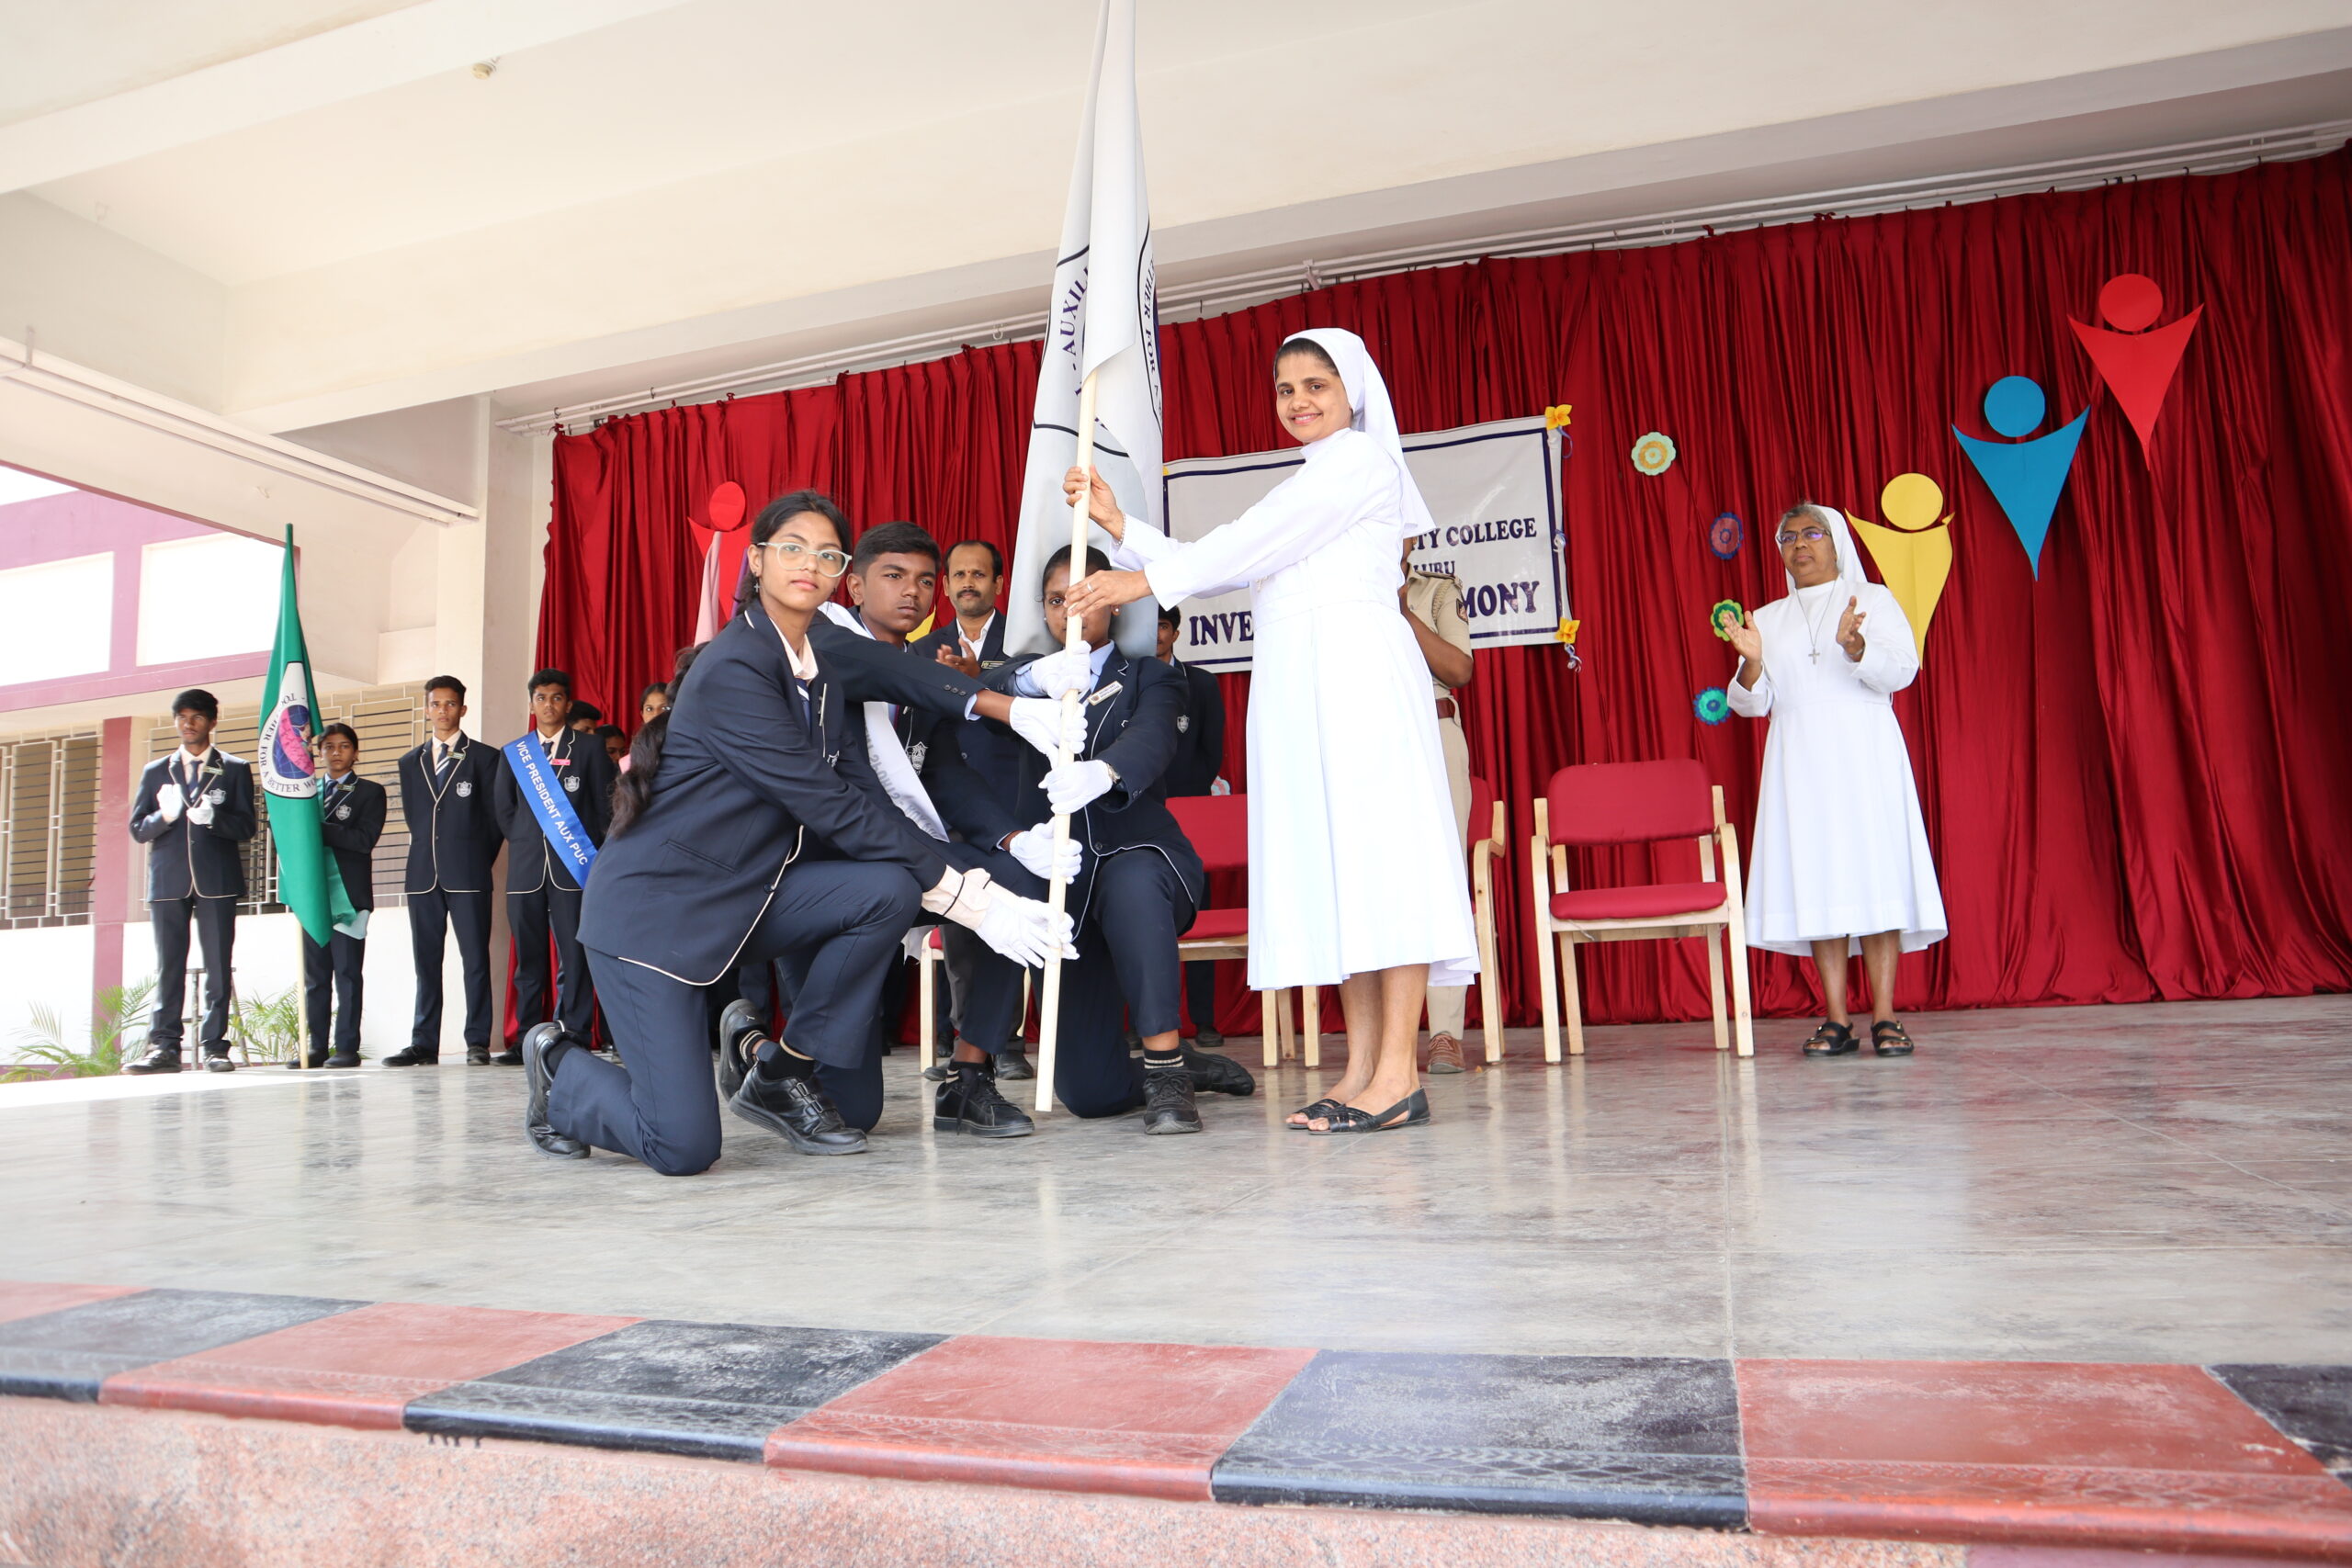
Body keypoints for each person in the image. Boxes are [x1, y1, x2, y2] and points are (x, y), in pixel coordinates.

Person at [526, 491, 1084, 1175]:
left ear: (837, 574)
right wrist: (973, 900)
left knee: (886, 888)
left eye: (826, 554)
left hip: (749, 898)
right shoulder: (736, 667)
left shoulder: (817, 674)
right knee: (683, 1145)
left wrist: (980, 872)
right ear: (757, 560)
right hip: (657, 917)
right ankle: (558, 1070)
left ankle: (779, 1069)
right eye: (791, 547)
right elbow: (829, 805)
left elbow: (863, 800)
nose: (808, 564)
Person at [1062, 327, 1476, 1134]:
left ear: (1353, 391)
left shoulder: (1360, 461)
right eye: (1286, 388)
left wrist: (1140, 579)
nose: (1298, 401)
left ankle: (1398, 1075)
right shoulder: (1312, 479)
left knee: (1382, 867)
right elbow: (1234, 559)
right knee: (1339, 875)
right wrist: (1120, 525)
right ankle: (1361, 1069)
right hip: (1303, 686)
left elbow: (1238, 548)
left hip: (1359, 679)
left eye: (1316, 384)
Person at [801, 520, 1084, 1125]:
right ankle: (755, 1046)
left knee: (1013, 881)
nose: (912, 591)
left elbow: (946, 773)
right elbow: (883, 673)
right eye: (894, 576)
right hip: (831, 873)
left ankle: (969, 1076)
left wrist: (1013, 839)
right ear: (855, 586)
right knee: (852, 1111)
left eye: (926, 580)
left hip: (909, 861)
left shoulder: (922, 667)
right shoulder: (819, 644)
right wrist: (1005, 696)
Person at [987, 547, 1256, 1133]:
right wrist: (1028, 678)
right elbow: (977, 689)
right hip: (1066, 891)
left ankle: (1166, 1067)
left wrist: (1104, 772)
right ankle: (1186, 1069)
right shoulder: (1021, 682)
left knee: (1131, 881)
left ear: (1112, 602)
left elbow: (1152, 741)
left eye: (1084, 597)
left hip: (1144, 861)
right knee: (1091, 1093)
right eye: (1056, 600)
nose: (1070, 611)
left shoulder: (1150, 677)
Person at [1724, 502, 1945, 1058]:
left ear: (1836, 540)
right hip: (1798, 759)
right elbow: (1751, 704)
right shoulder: (1766, 617)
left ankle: (1886, 1016)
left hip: (1865, 753)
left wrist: (1857, 647)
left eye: (1812, 533)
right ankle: (1836, 1019)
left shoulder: (1872, 600)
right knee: (1817, 879)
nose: (1800, 544)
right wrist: (1751, 662)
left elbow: (1904, 670)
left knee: (1876, 875)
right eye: (1788, 537)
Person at [124, 689, 258, 1074]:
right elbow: (138, 829)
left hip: (217, 879)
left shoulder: (234, 768)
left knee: (218, 965)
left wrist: (215, 819)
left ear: (212, 721)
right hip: (169, 881)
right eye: (182, 717)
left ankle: (215, 1047)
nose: (188, 723)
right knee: (169, 965)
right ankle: (164, 1047)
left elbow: (247, 826)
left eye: (197, 716)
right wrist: (164, 817)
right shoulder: (155, 771)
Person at [493, 669, 616, 1063]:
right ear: (531, 704)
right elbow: (504, 809)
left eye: (557, 697)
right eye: (541, 698)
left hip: (574, 866)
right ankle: (527, 1037)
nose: (549, 705)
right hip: (526, 869)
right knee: (528, 958)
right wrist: (528, 838)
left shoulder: (590, 748)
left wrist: (596, 853)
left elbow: (607, 806)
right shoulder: (515, 753)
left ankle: (574, 1032)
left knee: (574, 955)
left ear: (568, 703)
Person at [389, 676, 505, 1066]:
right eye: (436, 704)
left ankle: (477, 1041)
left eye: (450, 704)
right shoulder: (410, 762)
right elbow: (416, 819)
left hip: (469, 873)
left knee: (475, 960)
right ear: (427, 709)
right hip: (423, 875)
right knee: (426, 962)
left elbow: (494, 822)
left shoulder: (485, 758)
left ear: (463, 709)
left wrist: (475, 859)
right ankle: (423, 1043)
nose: (443, 711)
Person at [1401, 547, 1475, 1073]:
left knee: (1443, 882)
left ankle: (1445, 1031)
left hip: (1435, 729)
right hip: (1371, 739)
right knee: (1382, 884)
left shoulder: (1436, 590)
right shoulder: (1344, 588)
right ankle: (1389, 1035)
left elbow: (1459, 668)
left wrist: (1402, 613)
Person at [290, 723, 385, 1069]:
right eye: (328, 746)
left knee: (347, 974)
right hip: (312, 897)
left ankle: (346, 1047)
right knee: (316, 978)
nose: (336, 752)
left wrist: (316, 830)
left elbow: (363, 840)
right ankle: (316, 1047)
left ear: (355, 752)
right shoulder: (305, 794)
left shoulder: (370, 792)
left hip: (349, 897)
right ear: (319, 753)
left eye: (344, 746)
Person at [1155, 604, 1228, 1048]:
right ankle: (1142, 1022)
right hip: (1140, 811)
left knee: (1199, 911)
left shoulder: (1200, 683)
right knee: (1143, 916)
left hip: (1192, 814)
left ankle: (1204, 1020)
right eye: (1149, 626)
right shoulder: (1126, 678)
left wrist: (1189, 797)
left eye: (1163, 626)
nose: (1156, 634)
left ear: (1176, 633)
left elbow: (1211, 752)